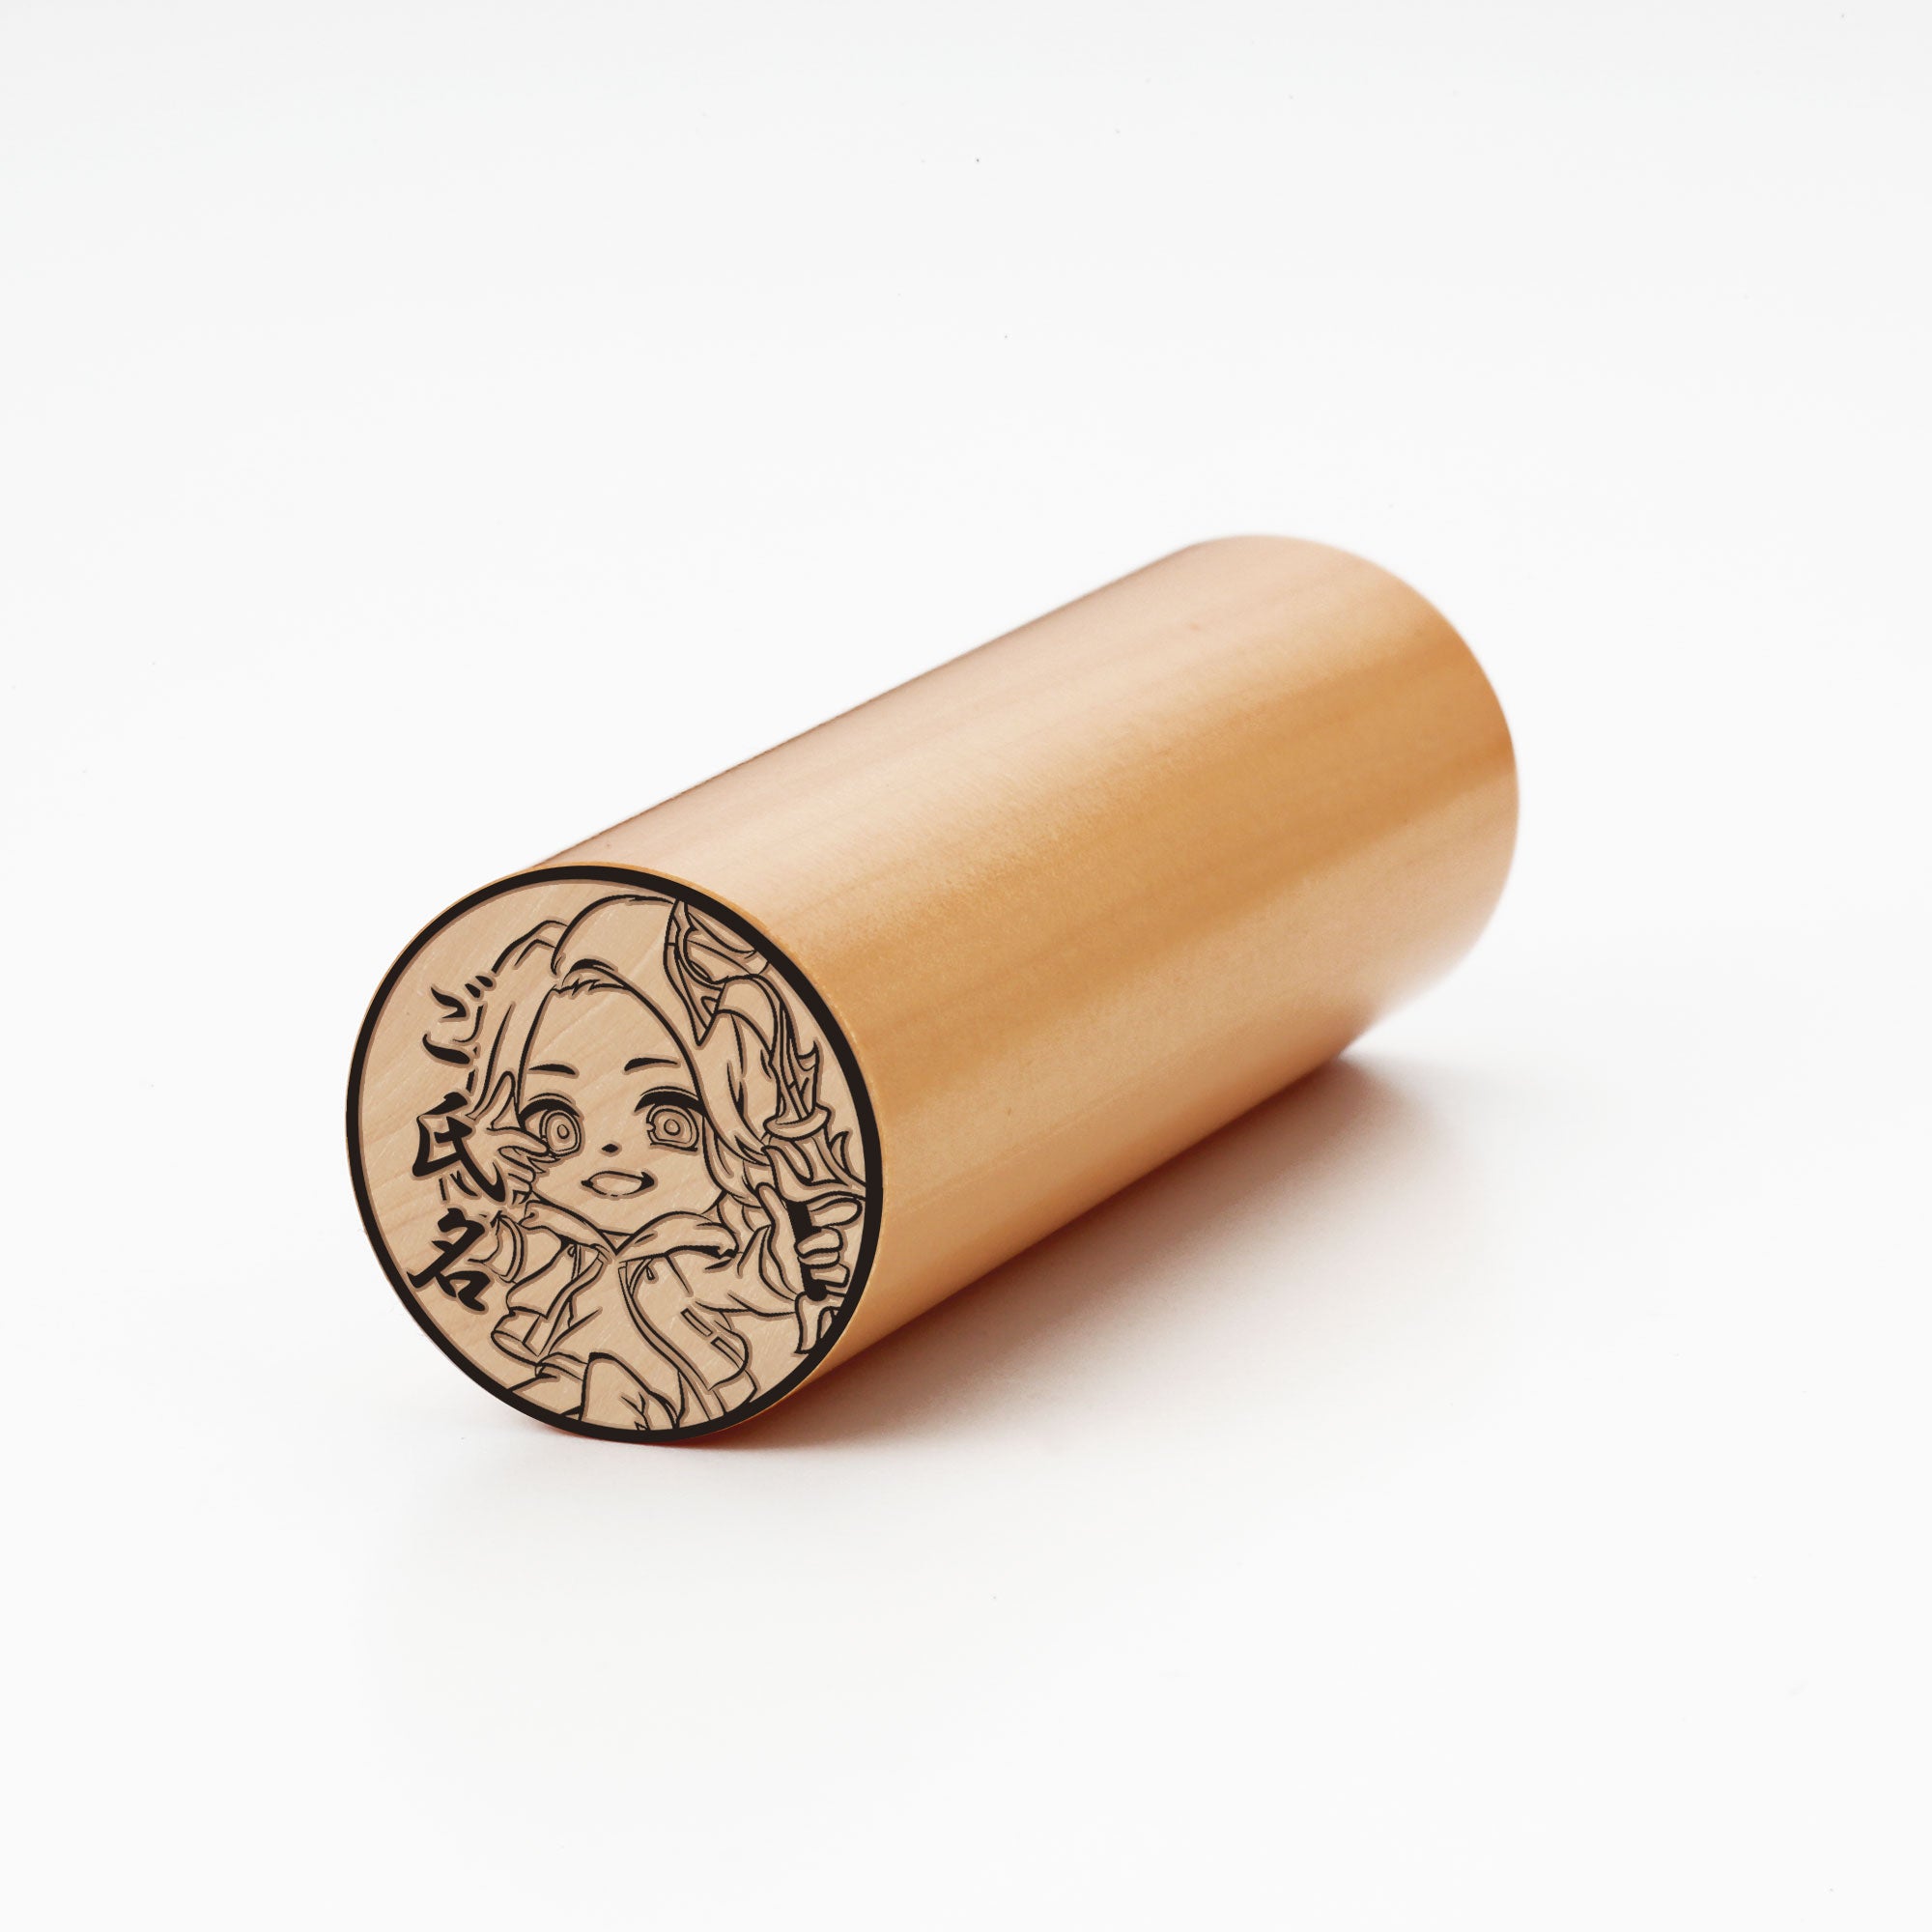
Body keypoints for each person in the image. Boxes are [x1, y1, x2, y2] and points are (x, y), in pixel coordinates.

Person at [411, 892, 865, 1430]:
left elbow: (750, 1282)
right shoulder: (557, 1241)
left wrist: (786, 1263)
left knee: (612, 1382)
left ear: (726, 1116)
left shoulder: (700, 1243)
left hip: (689, 1386)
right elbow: (498, 1261)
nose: (607, 1149)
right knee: (592, 1378)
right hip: (575, 1371)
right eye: (558, 1123)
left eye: (667, 1119)